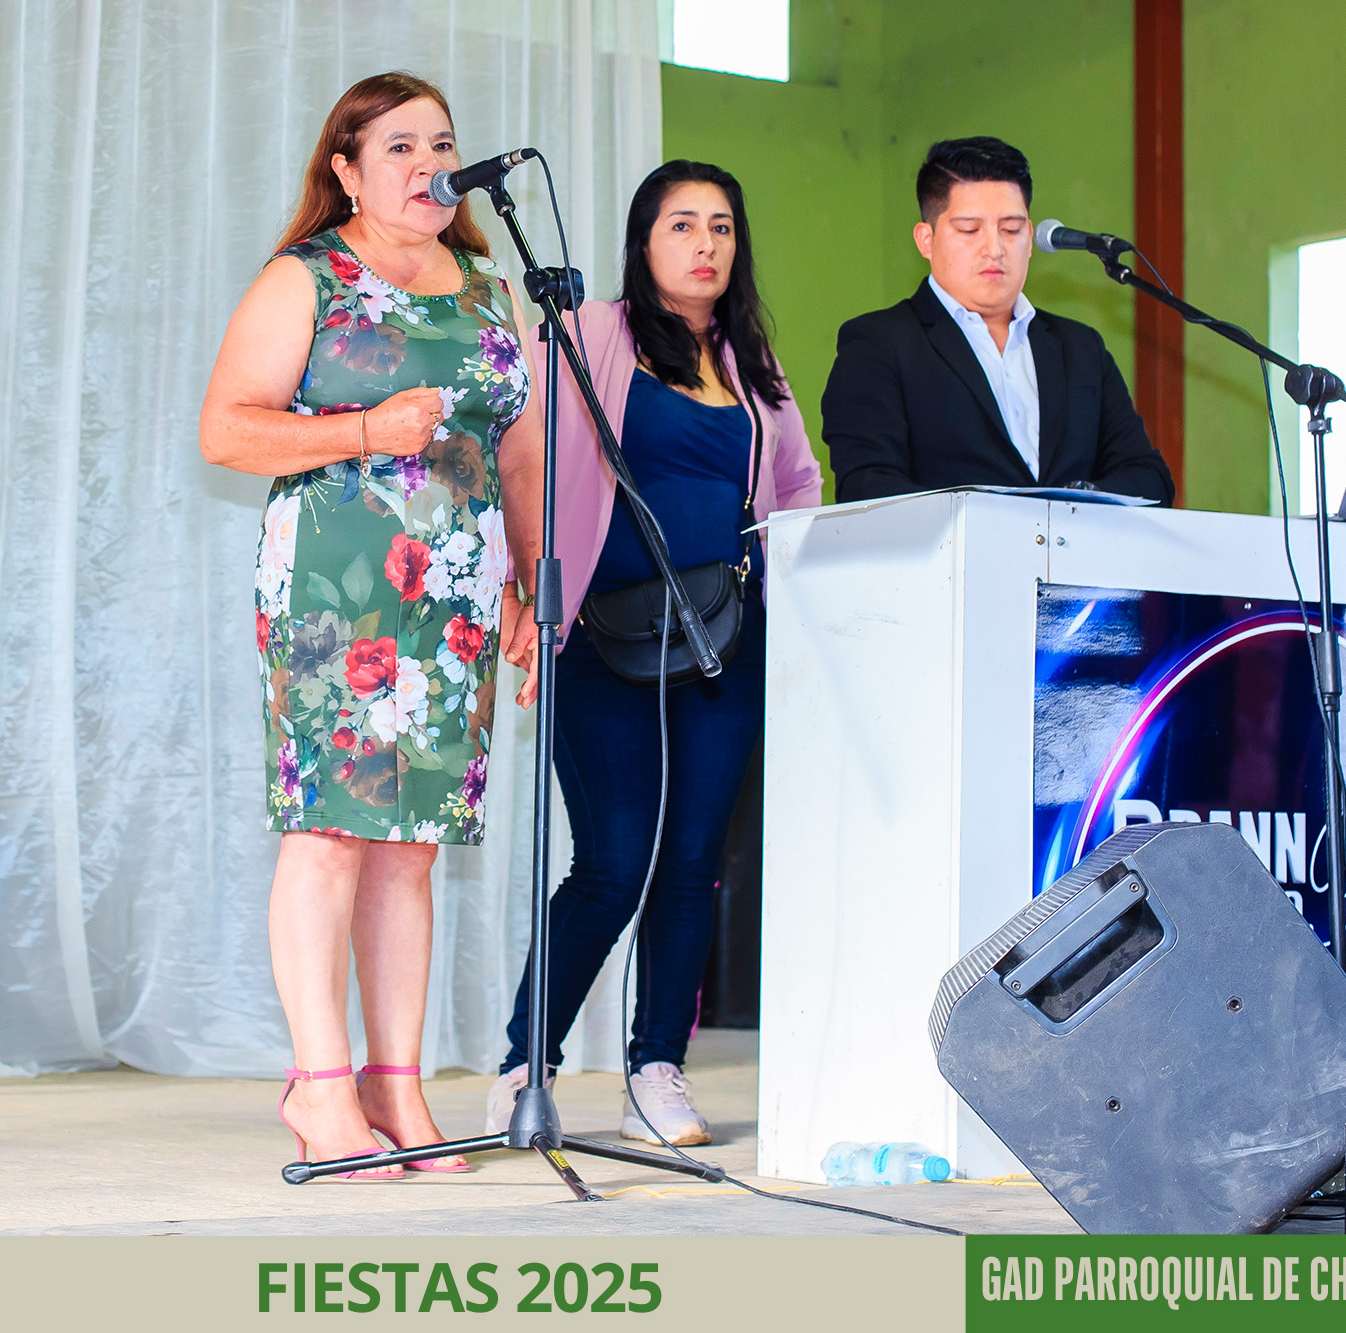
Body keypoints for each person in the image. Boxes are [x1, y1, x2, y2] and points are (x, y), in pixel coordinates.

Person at [200, 72, 543, 1179]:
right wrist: (360, 430)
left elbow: (519, 453)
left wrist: (526, 584)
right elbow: (226, 431)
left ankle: (397, 1084)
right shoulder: (306, 276)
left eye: (442, 143)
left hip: (456, 596)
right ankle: (319, 1084)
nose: (429, 164)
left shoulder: (490, 289)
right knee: (331, 829)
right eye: (399, 146)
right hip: (332, 587)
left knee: (410, 845)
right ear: (345, 169)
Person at [483, 160, 822, 1146]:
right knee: (612, 863)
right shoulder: (589, 332)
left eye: (721, 225)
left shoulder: (753, 363)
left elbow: (796, 488)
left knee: (690, 866)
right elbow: (517, 455)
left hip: (723, 644)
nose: (705, 243)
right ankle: (525, 1063)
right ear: (643, 241)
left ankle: (656, 1070)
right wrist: (520, 587)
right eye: (682, 224)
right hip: (600, 638)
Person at [820, 137, 1174, 505]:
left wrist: (1078, 508)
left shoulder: (1081, 348)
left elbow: (1148, 478)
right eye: (969, 230)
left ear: (1031, 238)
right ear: (926, 240)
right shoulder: (878, 344)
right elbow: (867, 488)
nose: (994, 248)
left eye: (1011, 229)